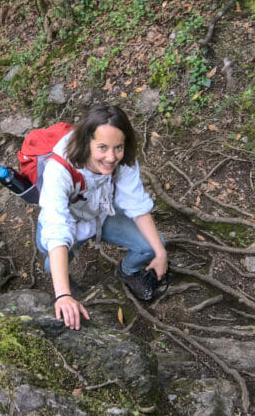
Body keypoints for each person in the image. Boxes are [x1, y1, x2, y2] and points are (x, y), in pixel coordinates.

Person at [36, 104, 168, 330]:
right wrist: (63, 295)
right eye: (102, 148)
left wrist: (161, 253)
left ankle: (127, 272)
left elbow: (137, 206)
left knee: (153, 246)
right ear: (86, 142)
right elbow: (57, 227)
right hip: (69, 220)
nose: (111, 157)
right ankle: (68, 284)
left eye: (118, 147)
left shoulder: (122, 159)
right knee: (52, 263)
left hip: (102, 213)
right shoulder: (59, 169)